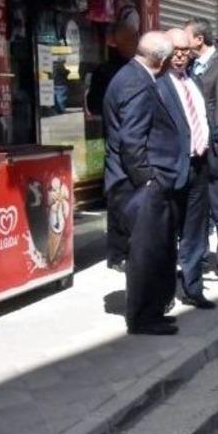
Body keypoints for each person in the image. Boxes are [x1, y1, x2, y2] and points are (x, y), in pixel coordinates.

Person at [158, 28, 218, 310]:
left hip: (198, 167)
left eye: (185, 52)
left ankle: (192, 288)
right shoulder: (158, 84)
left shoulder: (195, 83)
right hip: (171, 169)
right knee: (166, 234)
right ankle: (163, 295)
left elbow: (208, 124)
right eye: (175, 51)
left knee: (195, 233)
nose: (180, 57)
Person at [103, 31, 182, 336]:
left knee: (154, 249)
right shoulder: (137, 82)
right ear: (160, 59)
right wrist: (147, 179)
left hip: (134, 181)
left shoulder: (129, 75)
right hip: (136, 184)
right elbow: (131, 138)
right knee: (146, 253)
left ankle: (152, 311)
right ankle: (142, 317)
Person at [184, 17, 218, 282]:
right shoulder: (192, 66)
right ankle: (200, 253)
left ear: (199, 39)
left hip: (213, 150)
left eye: (187, 37)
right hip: (193, 148)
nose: (182, 43)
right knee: (197, 208)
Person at [88, 22, 139, 273]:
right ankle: (119, 251)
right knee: (121, 198)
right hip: (122, 143)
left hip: (119, 142)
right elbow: (94, 105)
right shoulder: (117, 72)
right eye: (132, 39)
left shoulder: (135, 70)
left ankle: (119, 252)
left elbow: (95, 105)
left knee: (120, 198)